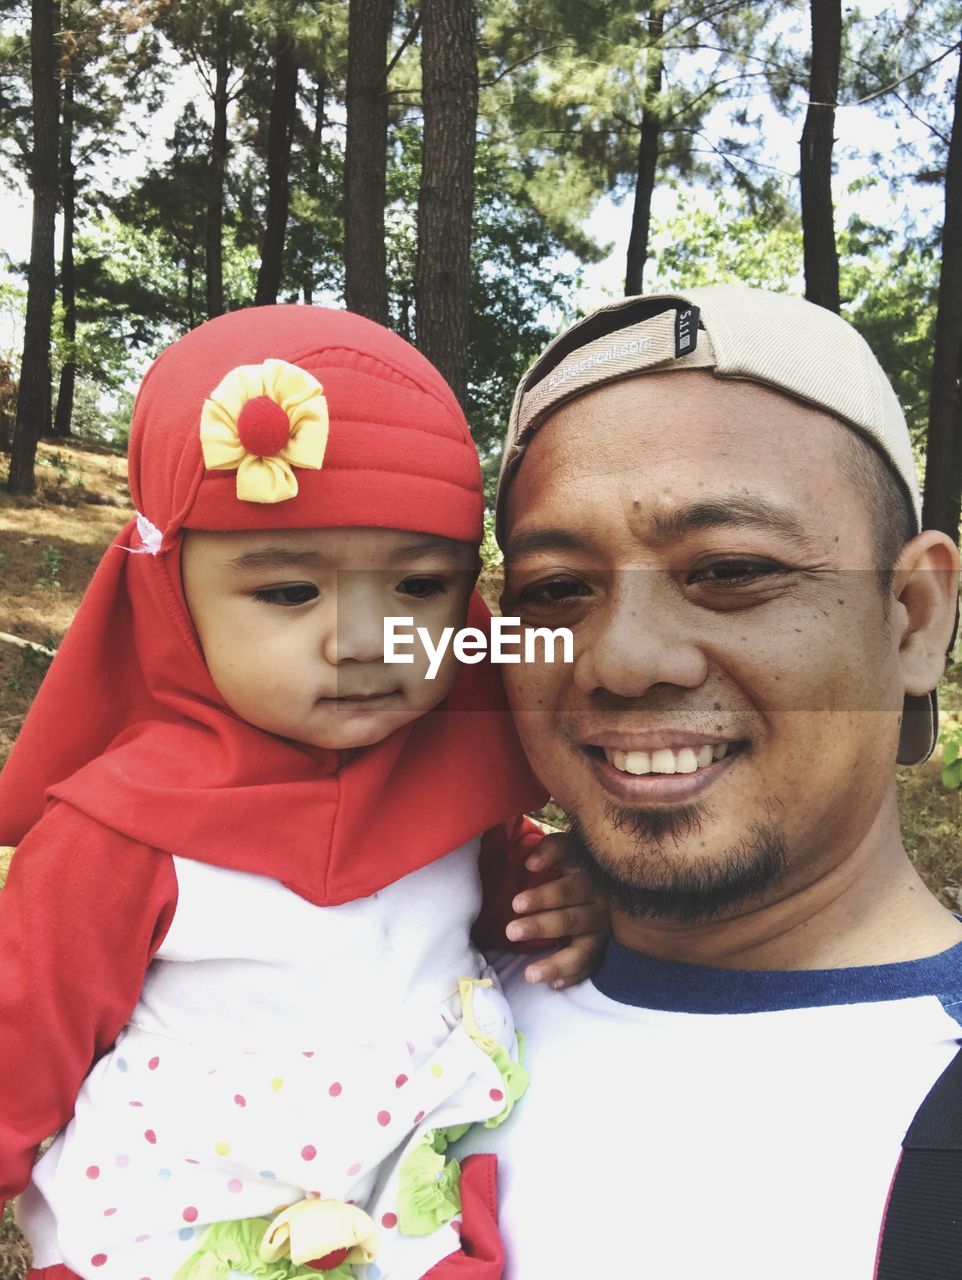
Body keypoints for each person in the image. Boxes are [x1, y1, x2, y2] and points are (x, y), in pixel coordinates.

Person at [0, 306, 607, 1280]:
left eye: (419, 587)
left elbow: (500, 923)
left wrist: (560, 897)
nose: (363, 638)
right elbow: (16, 1055)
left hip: (401, 1214)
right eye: (288, 592)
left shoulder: (462, 792)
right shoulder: (119, 832)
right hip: (177, 1228)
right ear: (167, 589)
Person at [458, 286, 962, 1279]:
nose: (624, 658)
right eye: (556, 588)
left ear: (909, 618)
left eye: (730, 567)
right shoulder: (392, 1001)